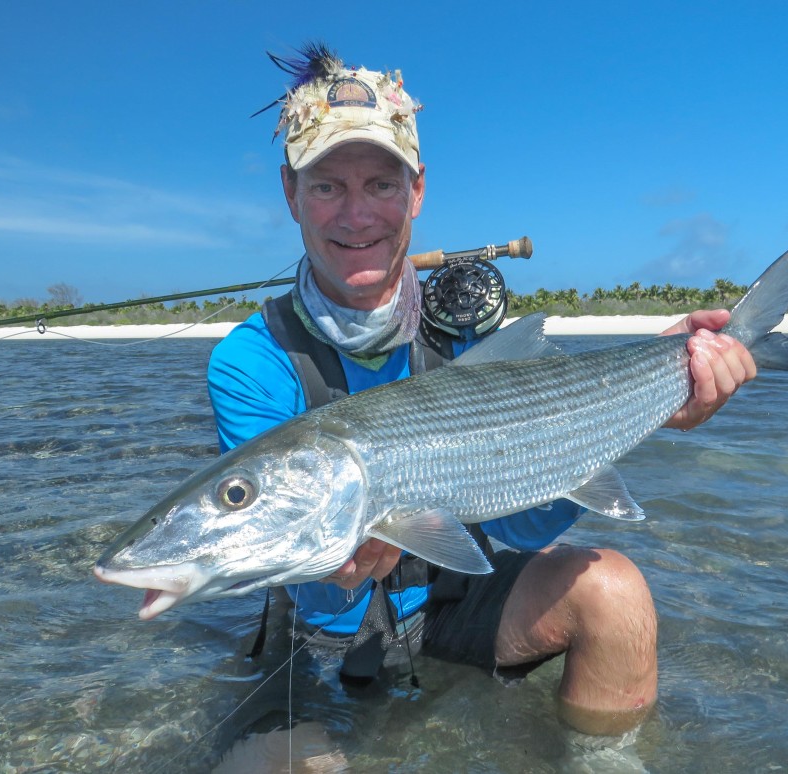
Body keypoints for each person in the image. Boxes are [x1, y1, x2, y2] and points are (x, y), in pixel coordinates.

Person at [207, 44, 756, 738]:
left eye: (381, 184)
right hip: (324, 632)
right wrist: (346, 561)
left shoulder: (465, 330)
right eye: (326, 186)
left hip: (452, 600)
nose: (356, 216)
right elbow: (302, 574)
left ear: (418, 191)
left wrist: (656, 385)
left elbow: (509, 526)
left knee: (616, 595)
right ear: (291, 194)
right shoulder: (250, 362)